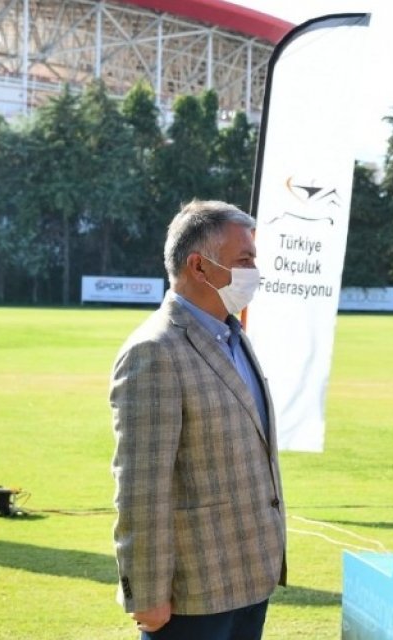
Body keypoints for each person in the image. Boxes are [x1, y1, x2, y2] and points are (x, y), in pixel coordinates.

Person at [110, 200, 286, 639]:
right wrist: (146, 592)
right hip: (194, 592)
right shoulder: (154, 350)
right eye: (244, 260)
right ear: (199, 266)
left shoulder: (233, 335)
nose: (254, 271)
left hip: (248, 578)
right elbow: (141, 486)